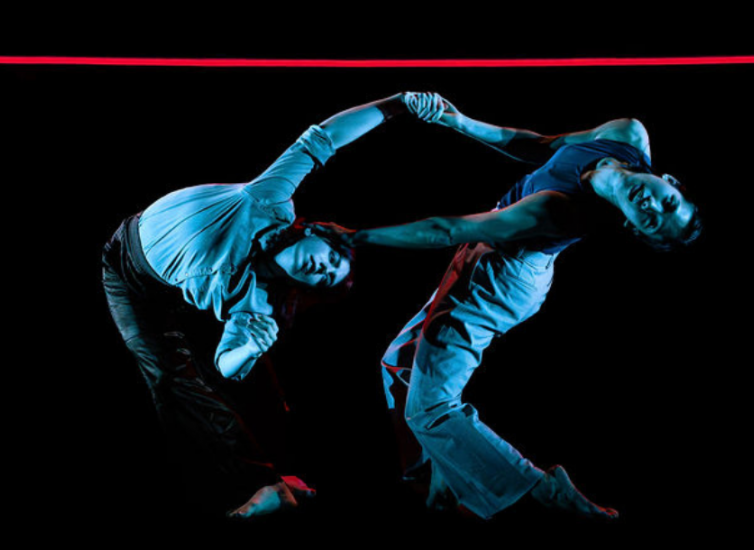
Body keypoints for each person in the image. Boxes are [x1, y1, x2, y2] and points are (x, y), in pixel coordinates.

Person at [315, 92, 701, 520]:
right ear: (670, 180)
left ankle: (544, 491)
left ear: (630, 224)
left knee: (430, 407)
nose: (651, 205)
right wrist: (456, 121)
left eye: (650, 219)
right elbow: (541, 144)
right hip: (486, 255)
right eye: (667, 202)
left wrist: (354, 237)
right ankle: (436, 482)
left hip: (501, 280)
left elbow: (447, 228)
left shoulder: (561, 210)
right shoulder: (627, 135)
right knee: (398, 365)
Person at [101, 92, 431, 519]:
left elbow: (228, 364)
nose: (321, 267)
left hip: (153, 293)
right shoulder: (268, 201)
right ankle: (276, 477)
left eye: (325, 277)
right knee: (208, 384)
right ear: (316, 232)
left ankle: (265, 485)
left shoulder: (255, 300)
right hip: (128, 264)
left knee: (176, 381)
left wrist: (248, 349)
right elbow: (323, 139)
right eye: (331, 256)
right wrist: (398, 104)